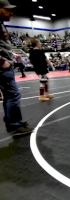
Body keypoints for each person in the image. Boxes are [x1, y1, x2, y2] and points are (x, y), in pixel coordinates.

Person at [0, 0, 32, 136]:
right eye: (7, 9)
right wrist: (1, 61)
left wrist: (10, 54)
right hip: (2, 67)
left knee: (9, 96)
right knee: (13, 95)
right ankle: (15, 125)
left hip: (5, 64)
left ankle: (11, 121)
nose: (11, 12)